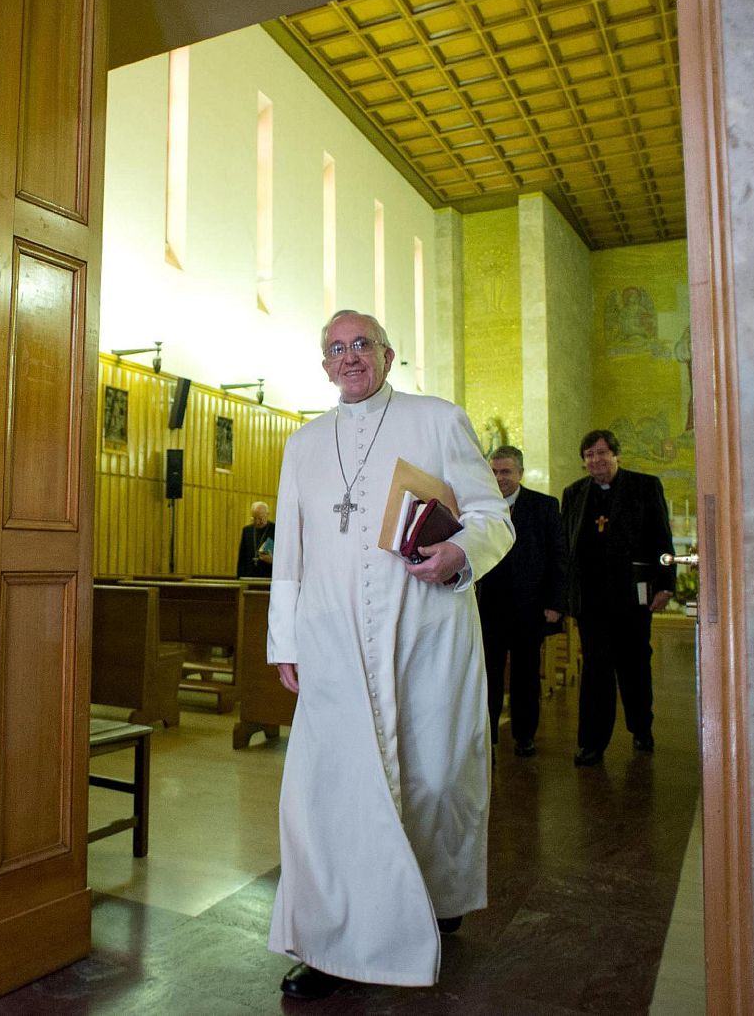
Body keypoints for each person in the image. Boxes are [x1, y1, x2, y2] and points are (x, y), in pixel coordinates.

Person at [267, 310, 513, 1000]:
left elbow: (493, 516)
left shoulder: (438, 420)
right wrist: (284, 640)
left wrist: (459, 551)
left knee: (434, 777)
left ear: (388, 354)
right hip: (332, 642)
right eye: (336, 348)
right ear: (325, 365)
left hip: (426, 631)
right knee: (329, 791)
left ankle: (437, 894)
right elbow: (289, 553)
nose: (350, 357)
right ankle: (327, 940)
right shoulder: (303, 445)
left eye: (362, 345)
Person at [560, 429, 675, 767]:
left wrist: (666, 585)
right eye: (589, 455)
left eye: (601, 453)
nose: (596, 460)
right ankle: (592, 743)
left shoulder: (644, 487)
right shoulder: (574, 493)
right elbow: (567, 546)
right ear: (583, 462)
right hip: (591, 600)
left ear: (616, 455)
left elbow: (662, 539)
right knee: (596, 670)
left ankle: (641, 727)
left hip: (632, 597)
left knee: (634, 665)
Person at [476, 445, 567, 758]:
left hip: (530, 606)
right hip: (489, 607)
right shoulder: (479, 506)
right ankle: (488, 737)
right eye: (493, 471)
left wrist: (555, 603)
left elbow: (558, 557)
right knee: (489, 674)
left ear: (520, 473)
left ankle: (524, 736)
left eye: (506, 471)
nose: (499, 478)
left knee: (526, 674)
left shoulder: (544, 506)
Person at [237, 501, 275, 578]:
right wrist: (240, 577)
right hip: (249, 577)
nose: (257, 522)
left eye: (260, 518)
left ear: (267, 515)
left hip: (268, 577)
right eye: (254, 518)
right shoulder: (247, 530)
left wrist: (273, 561)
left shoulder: (276, 530)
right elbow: (242, 557)